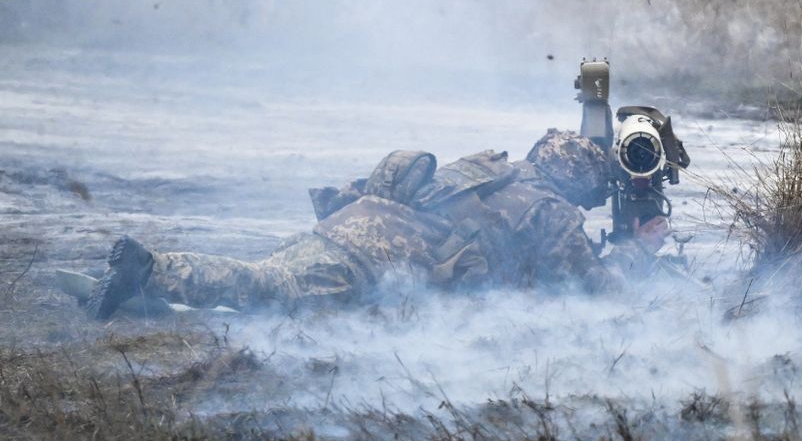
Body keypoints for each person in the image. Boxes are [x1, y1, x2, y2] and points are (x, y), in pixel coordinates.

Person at [85, 129, 671, 320]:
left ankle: (135, 291)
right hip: (371, 259)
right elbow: (598, 293)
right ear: (575, 181)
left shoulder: (494, 171)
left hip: (350, 228)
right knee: (267, 291)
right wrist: (639, 250)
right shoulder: (547, 210)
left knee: (265, 286)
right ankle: (149, 268)